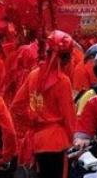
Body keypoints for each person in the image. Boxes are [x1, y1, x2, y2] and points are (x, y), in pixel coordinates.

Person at [11, 30, 76, 178]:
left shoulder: (33, 74)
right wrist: (75, 141)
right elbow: (69, 117)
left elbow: (16, 106)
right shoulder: (63, 81)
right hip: (57, 141)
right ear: (66, 58)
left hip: (36, 141)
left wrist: (30, 123)